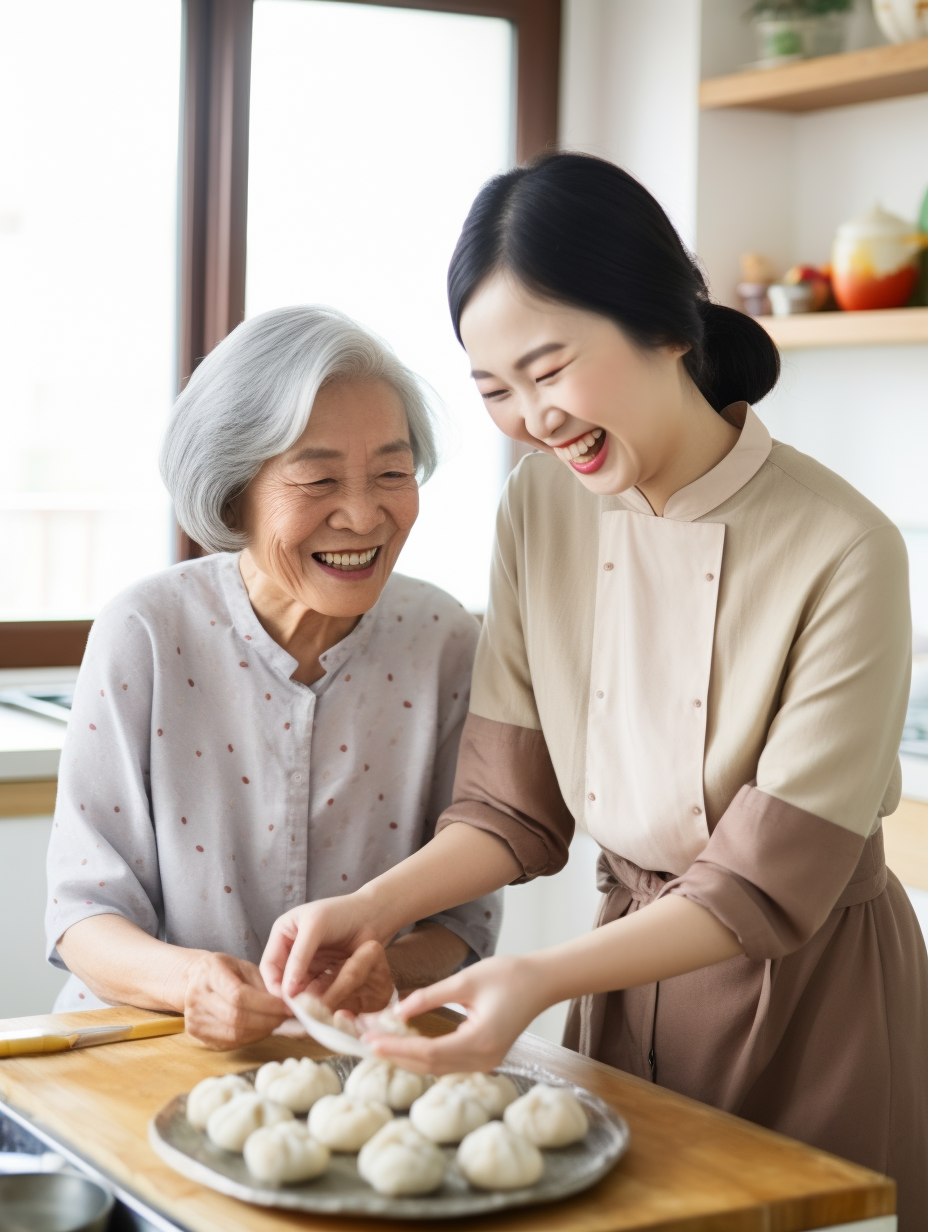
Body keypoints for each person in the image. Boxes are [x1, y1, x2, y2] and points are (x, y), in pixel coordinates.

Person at [259, 156, 928, 1225]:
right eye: (493, 391)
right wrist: (370, 906)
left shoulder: (842, 545)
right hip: (621, 996)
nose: (530, 416)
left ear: (665, 324)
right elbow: (512, 809)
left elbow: (761, 884)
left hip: (811, 1003)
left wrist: (540, 975)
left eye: (548, 367)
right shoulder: (542, 509)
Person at [45, 305, 500, 1048]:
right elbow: (83, 915)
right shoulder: (147, 632)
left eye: (392, 472)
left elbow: (463, 919)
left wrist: (387, 968)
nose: (362, 515)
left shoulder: (443, 638)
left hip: (357, 1060)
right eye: (318, 480)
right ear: (234, 492)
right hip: (144, 1049)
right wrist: (197, 984)